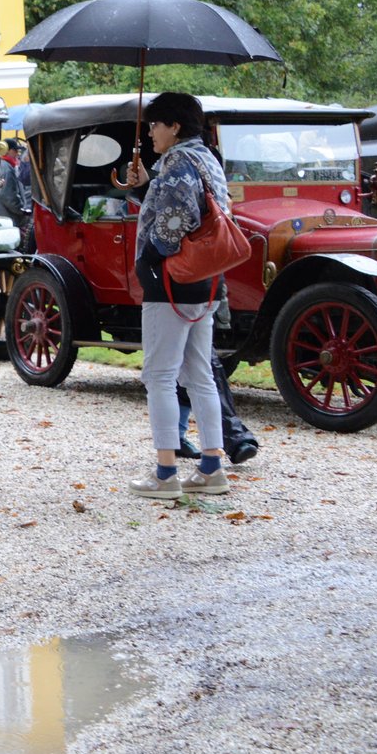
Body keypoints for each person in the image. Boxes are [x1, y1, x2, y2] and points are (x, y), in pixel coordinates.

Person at [119, 93, 229, 499]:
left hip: (171, 282)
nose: (150, 133)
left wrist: (149, 257)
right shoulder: (206, 158)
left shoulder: (178, 162)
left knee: (160, 376)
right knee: (199, 376)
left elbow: (179, 218)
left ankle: (166, 473)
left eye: (155, 125)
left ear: (175, 127)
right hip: (205, 279)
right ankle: (211, 467)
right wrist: (146, 187)